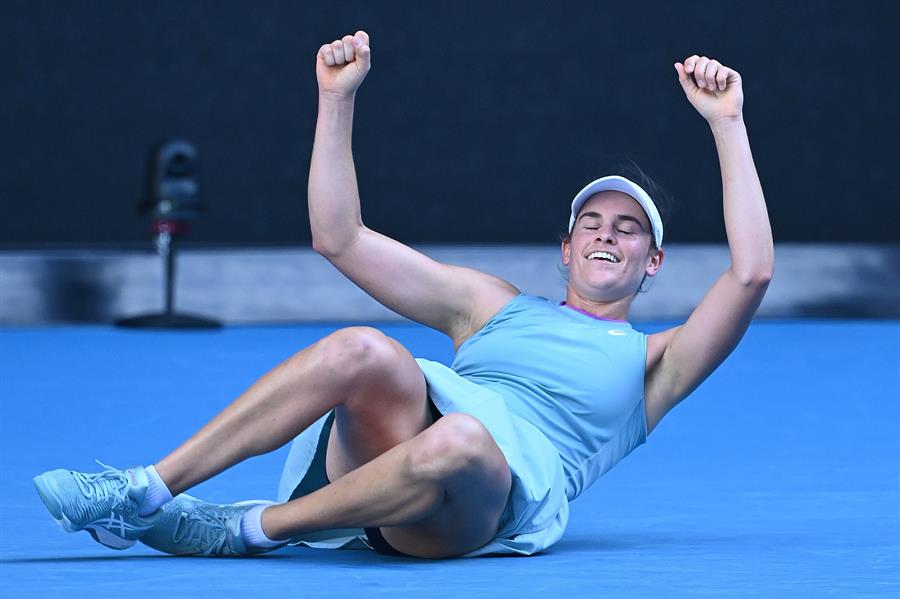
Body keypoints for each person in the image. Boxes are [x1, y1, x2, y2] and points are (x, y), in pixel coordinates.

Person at [33, 31, 773, 559]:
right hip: (394, 456)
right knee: (361, 346)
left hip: (475, 505)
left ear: (652, 262)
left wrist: (727, 122)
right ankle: (146, 488)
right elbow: (340, 239)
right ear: (566, 247)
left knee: (460, 439)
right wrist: (335, 101)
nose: (607, 235)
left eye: (629, 229)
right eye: (591, 222)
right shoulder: (492, 305)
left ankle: (250, 528)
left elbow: (751, 274)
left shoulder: (658, 362)